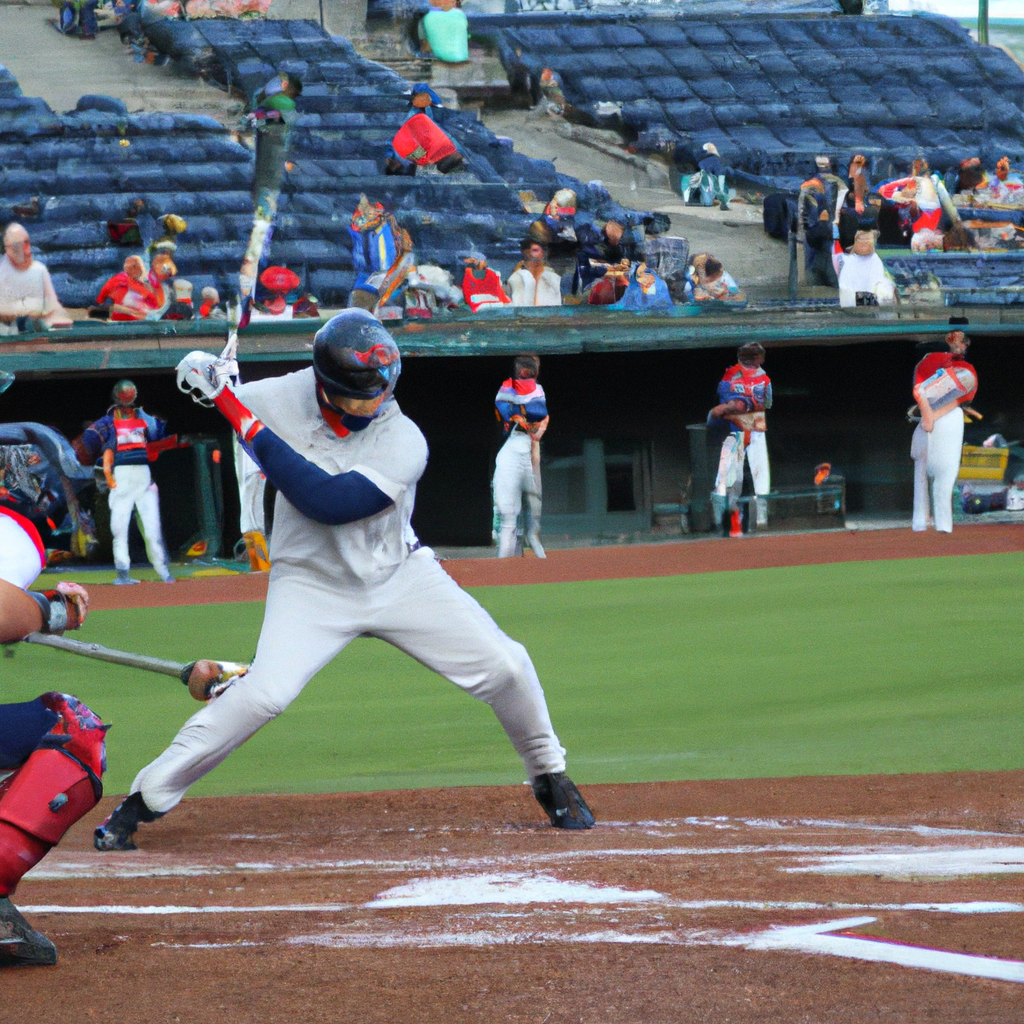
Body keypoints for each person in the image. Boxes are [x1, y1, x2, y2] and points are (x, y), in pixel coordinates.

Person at [93, 310, 594, 851]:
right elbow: (210, 395)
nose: (372, 404)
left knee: (507, 663)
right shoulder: (282, 397)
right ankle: (142, 801)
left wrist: (233, 408)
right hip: (309, 583)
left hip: (399, 575)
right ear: (323, 384)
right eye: (358, 394)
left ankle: (549, 774)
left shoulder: (403, 438)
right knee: (264, 695)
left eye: (380, 390)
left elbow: (330, 502)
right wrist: (207, 378)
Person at [101, 380, 174, 585]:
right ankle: (124, 572)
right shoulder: (110, 421)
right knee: (120, 527)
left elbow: (156, 435)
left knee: (151, 527)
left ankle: (162, 570)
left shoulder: (143, 418)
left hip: (140, 474)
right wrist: (108, 475)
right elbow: (107, 450)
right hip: (123, 475)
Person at [910, 319, 979, 534]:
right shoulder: (933, 365)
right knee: (938, 474)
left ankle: (927, 523)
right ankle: (937, 524)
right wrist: (931, 412)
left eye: (962, 340)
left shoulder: (961, 369)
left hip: (936, 419)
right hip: (941, 420)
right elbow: (927, 395)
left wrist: (929, 413)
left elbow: (956, 397)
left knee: (930, 474)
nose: (959, 344)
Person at [709, 342, 772, 531]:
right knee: (725, 472)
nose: (755, 359)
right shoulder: (731, 374)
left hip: (755, 424)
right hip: (736, 424)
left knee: (760, 471)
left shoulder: (764, 378)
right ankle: (720, 519)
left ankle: (761, 518)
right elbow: (724, 399)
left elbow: (767, 403)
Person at [493, 355, 548, 559]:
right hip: (510, 448)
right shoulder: (507, 387)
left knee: (534, 507)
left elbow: (537, 424)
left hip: (531, 452)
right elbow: (504, 408)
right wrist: (518, 415)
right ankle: (507, 563)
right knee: (508, 515)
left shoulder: (538, 392)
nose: (526, 374)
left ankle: (532, 541)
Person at [0, 224, 73, 335]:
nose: (25, 250)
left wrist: (56, 315)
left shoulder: (38, 269)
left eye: (26, 243)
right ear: (8, 247)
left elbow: (53, 305)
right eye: (17, 245)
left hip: (29, 332)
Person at [831, 228, 895, 308]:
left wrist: (879, 296)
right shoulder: (849, 262)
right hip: (852, 313)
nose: (864, 242)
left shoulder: (876, 262)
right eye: (861, 240)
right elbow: (844, 292)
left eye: (868, 239)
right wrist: (859, 299)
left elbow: (883, 290)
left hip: (873, 313)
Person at [508, 240, 562, 307]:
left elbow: (556, 304)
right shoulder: (517, 278)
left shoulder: (552, 278)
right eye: (535, 250)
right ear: (526, 253)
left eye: (542, 251)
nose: (539, 254)